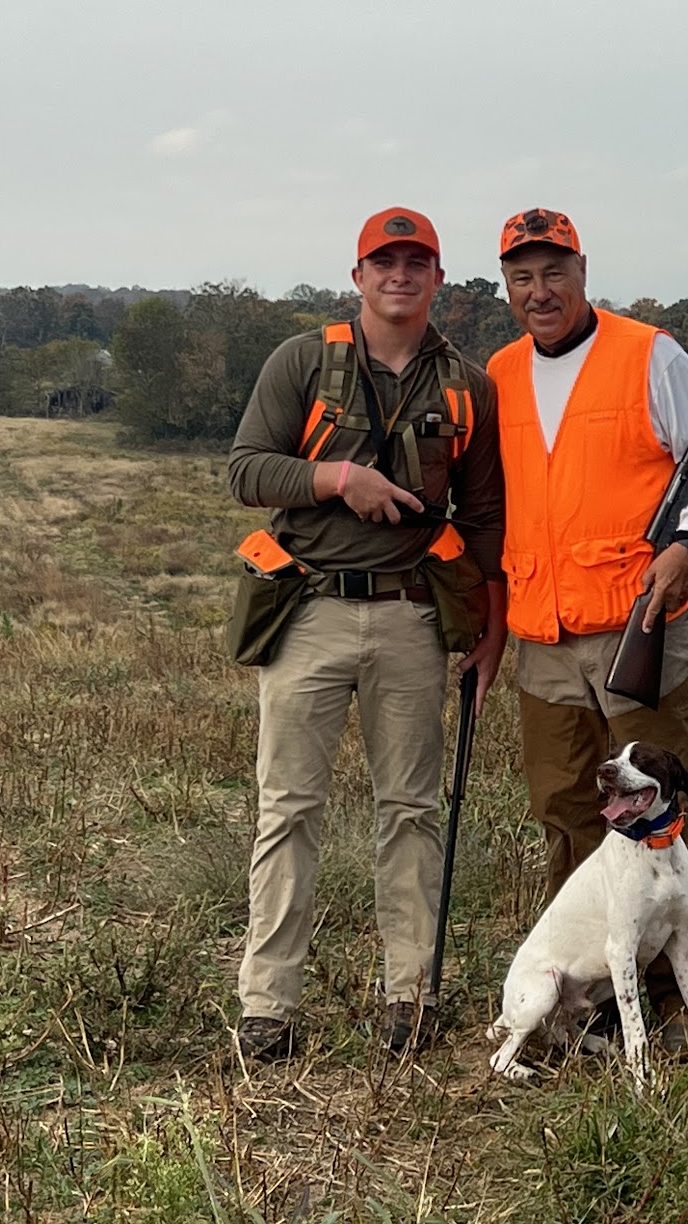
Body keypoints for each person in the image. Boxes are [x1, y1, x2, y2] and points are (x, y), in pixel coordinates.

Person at [226, 207, 506, 1061]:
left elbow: (485, 517)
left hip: (412, 617)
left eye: (416, 263)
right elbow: (247, 470)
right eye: (384, 263)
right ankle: (267, 1007)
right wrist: (339, 478)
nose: (399, 276)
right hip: (307, 612)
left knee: (412, 810)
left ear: (439, 280)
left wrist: (490, 629)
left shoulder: (468, 386)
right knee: (288, 809)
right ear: (357, 277)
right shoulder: (303, 361)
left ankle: (410, 997)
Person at [485, 206, 688, 1051]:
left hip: (642, 622)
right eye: (522, 276)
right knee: (568, 815)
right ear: (507, 286)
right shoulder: (500, 373)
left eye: (553, 272)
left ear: (583, 271)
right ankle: (588, 1005)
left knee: (663, 819)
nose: (539, 291)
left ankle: (677, 1014)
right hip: (543, 632)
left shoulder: (647, 354)